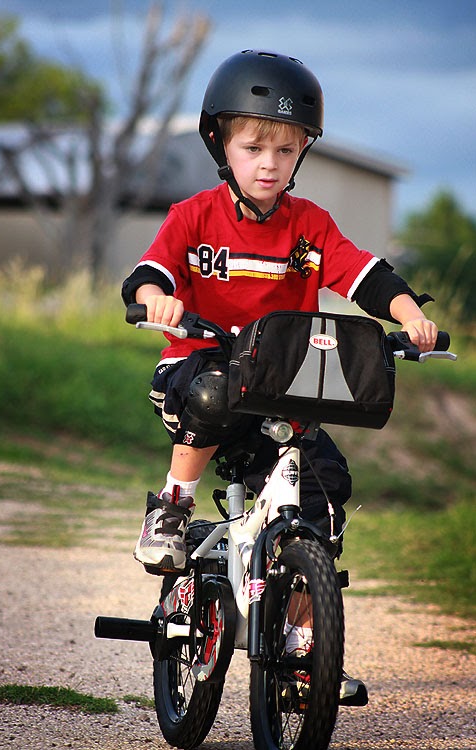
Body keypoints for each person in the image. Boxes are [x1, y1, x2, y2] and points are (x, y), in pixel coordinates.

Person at [121, 49, 438, 705]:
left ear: (302, 153)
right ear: (221, 144)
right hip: (198, 369)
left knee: (324, 492)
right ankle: (173, 506)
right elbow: (150, 272)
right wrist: (158, 299)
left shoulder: (309, 226)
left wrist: (408, 312)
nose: (269, 163)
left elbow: (362, 273)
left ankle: (301, 647)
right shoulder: (193, 217)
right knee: (213, 391)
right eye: (253, 147)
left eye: (286, 150)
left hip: (280, 386)